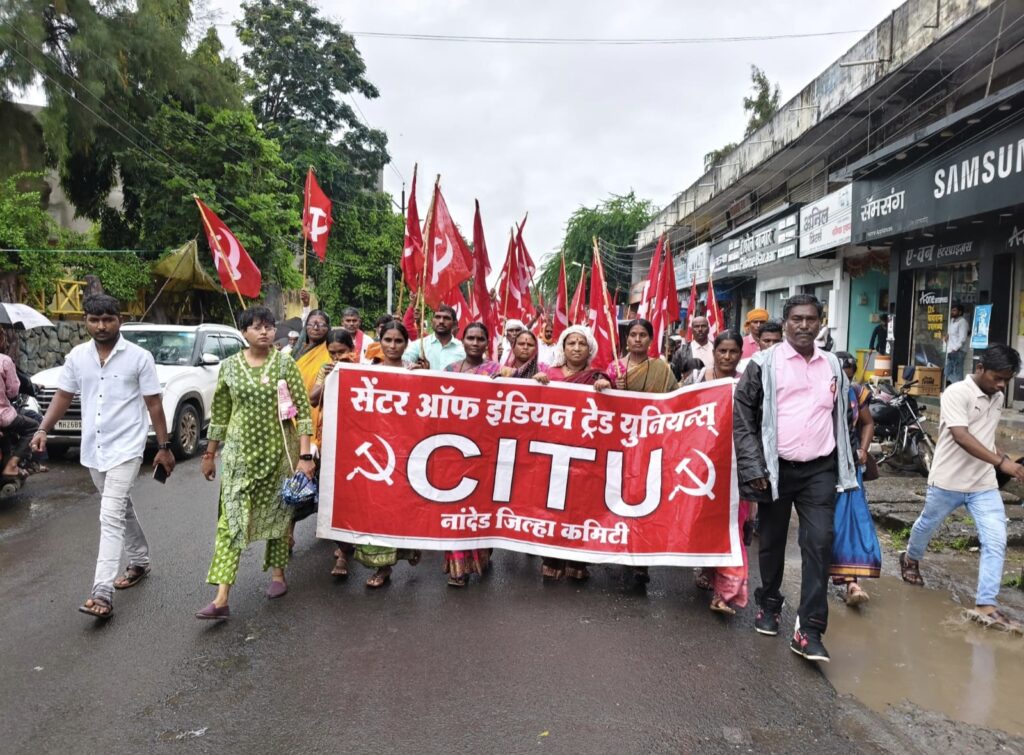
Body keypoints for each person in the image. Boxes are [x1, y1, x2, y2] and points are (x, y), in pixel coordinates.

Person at [30, 293, 175, 619]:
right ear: (86, 321)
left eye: (107, 319)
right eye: (94, 320)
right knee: (120, 508)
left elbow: (154, 404)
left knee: (108, 515)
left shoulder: (139, 357)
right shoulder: (78, 356)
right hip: (93, 448)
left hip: (127, 448)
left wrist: (164, 448)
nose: (101, 326)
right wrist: (42, 428)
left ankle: (102, 591)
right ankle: (140, 560)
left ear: (119, 319)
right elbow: (64, 395)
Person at [734, 294, 858, 663]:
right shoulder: (762, 364)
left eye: (811, 319)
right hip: (774, 469)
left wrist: (849, 463)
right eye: (797, 319)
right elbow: (742, 419)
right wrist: (754, 467)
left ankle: (810, 629)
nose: (804, 326)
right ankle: (769, 604)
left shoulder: (833, 365)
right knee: (771, 542)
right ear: (785, 323)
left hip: (819, 469)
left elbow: (843, 417)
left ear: (821, 322)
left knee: (819, 543)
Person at [194, 307, 314, 620]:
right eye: (257, 327)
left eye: (269, 327)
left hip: (278, 455)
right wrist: (210, 454)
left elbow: (302, 411)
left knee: (278, 515)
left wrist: (305, 457)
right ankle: (221, 597)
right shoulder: (229, 367)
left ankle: (277, 575)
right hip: (238, 459)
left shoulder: (285, 363)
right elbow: (220, 413)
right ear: (244, 332)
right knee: (230, 522)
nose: (264, 332)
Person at [900, 343, 1024, 631]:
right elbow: (961, 436)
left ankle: (986, 604)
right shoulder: (957, 393)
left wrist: (1004, 457)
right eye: (997, 377)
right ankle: (910, 557)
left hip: (983, 484)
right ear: (980, 368)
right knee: (926, 525)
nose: (1001, 384)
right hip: (947, 481)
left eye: (1007, 379)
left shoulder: (996, 396)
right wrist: (1002, 463)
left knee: (995, 540)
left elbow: (985, 435)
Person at [597, 318, 678, 585]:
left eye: (643, 334)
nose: (638, 339)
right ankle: (618, 550)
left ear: (651, 339)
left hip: (651, 445)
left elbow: (675, 402)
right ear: (626, 339)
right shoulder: (615, 368)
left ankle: (642, 560)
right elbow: (600, 404)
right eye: (633, 334)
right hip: (618, 445)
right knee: (617, 500)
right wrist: (611, 389)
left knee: (645, 503)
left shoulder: (662, 369)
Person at [533, 325, 609, 581]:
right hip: (551, 449)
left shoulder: (598, 376)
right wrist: (537, 384)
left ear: (590, 349)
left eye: (581, 344)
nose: (576, 348)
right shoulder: (548, 374)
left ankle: (578, 560)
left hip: (585, 451)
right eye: (571, 343)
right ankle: (551, 557)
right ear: (563, 348)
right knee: (552, 504)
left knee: (582, 505)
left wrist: (606, 387)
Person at [687, 331, 751, 613]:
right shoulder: (696, 380)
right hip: (701, 464)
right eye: (722, 351)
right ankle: (708, 569)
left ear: (740, 354)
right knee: (705, 521)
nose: (727, 357)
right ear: (713, 352)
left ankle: (724, 593)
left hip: (737, 467)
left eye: (733, 352)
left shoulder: (749, 383)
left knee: (732, 527)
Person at [358, 320, 422, 586]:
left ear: (406, 344)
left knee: (405, 508)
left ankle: (411, 547)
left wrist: (423, 378)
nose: (393, 346)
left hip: (409, 452)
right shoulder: (364, 375)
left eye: (398, 341)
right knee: (378, 510)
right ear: (379, 342)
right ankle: (382, 568)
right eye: (388, 340)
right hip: (377, 451)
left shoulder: (416, 373)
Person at [442, 322, 500, 586]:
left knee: (480, 506)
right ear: (462, 340)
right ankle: (458, 568)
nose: (475, 343)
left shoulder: (497, 372)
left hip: (487, 448)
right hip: (454, 448)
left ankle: (481, 554)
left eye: (480, 339)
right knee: (456, 505)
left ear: (488, 343)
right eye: (471, 338)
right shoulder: (449, 371)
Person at [830, 352, 881, 606]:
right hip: (820, 466)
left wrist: (863, 449)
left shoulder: (856, 392)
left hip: (849, 467)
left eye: (849, 377)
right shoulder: (819, 389)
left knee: (850, 521)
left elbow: (868, 423)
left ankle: (852, 582)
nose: (845, 382)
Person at [308, 329, 358, 579]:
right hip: (331, 440)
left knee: (354, 497)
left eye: (342, 352)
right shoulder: (325, 369)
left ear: (353, 349)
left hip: (359, 443)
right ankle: (342, 551)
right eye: (332, 353)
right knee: (336, 497)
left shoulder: (365, 366)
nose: (337, 357)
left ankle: (348, 549)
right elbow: (313, 400)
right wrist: (328, 378)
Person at [0, 328, 38, 483]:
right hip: (3, 417)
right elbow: (13, 391)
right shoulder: (4, 360)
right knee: (33, 426)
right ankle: (12, 464)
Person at [404, 305, 465, 370]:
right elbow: (403, 363)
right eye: (437, 317)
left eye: (446, 318)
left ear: (454, 324)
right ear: (432, 321)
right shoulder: (419, 345)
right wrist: (414, 368)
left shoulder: (462, 349)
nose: (441, 321)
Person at [945, 302, 969, 385]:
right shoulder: (952, 321)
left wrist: (955, 349)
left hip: (958, 351)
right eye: (952, 310)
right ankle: (950, 389)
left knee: (957, 372)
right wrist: (946, 337)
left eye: (954, 310)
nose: (952, 312)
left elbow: (962, 338)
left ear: (960, 312)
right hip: (951, 350)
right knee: (948, 372)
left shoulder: (963, 322)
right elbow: (950, 333)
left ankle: (959, 391)